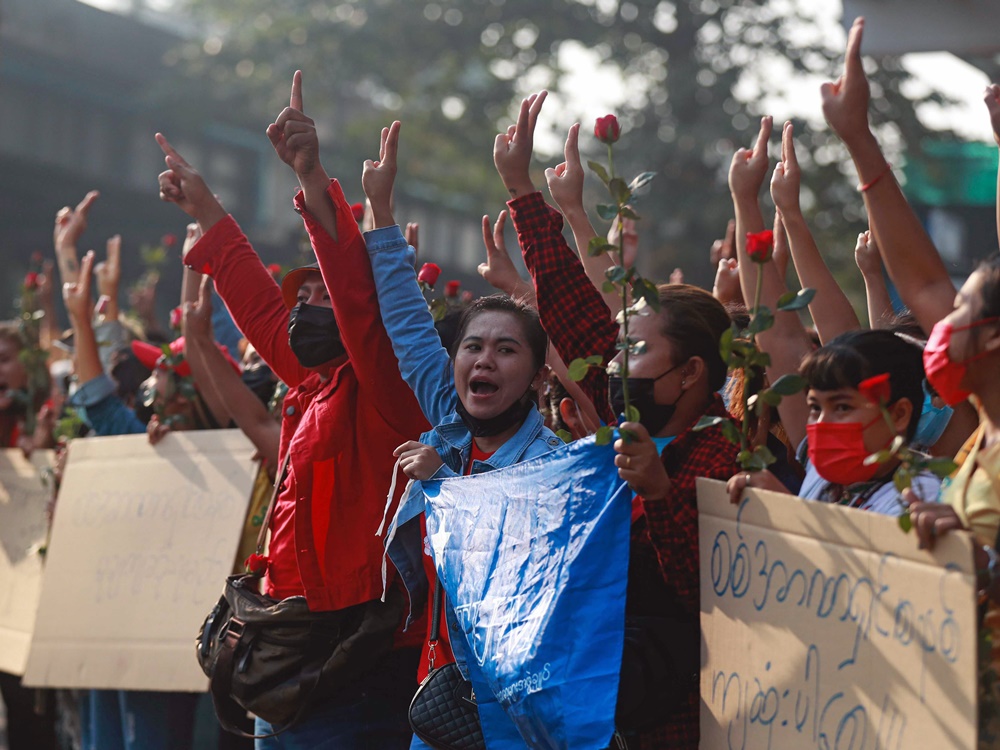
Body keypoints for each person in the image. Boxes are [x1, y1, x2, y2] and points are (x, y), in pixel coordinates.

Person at [156, 69, 429, 747]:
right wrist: (208, 213)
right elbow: (257, 309)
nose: (302, 304)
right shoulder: (315, 385)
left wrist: (312, 180)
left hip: (351, 663)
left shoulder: (389, 396)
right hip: (284, 644)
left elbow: (361, 304)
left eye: (318, 296)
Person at [500, 91, 739, 748]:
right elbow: (574, 318)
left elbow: (712, 594)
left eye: (635, 349)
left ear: (692, 372)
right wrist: (524, 192)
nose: (612, 362)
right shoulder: (627, 419)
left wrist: (662, 495)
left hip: (688, 718)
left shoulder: (728, 456)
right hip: (606, 709)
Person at [360, 118, 562, 749]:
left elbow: (508, 563)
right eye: (472, 347)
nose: (484, 361)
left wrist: (442, 483)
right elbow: (404, 319)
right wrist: (380, 209)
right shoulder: (448, 419)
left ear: (534, 376)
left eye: (506, 350)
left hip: (520, 710)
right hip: (440, 694)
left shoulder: (551, 464)